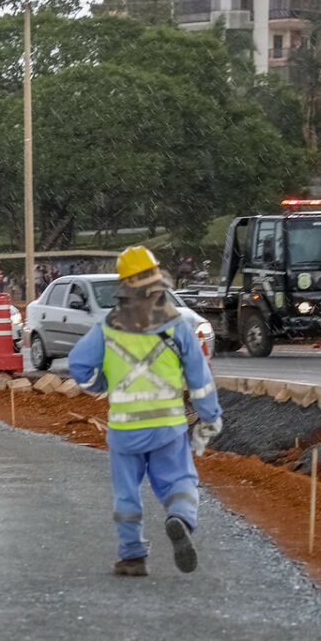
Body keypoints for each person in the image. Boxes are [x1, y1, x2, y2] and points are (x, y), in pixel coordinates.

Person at [67, 246, 222, 577]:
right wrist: (210, 416)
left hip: (124, 431)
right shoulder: (177, 324)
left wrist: (102, 382)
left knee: (126, 492)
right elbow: (200, 377)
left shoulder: (107, 326)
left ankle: (132, 556)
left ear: (123, 284)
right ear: (156, 279)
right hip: (168, 426)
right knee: (180, 479)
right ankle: (179, 517)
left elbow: (79, 365)